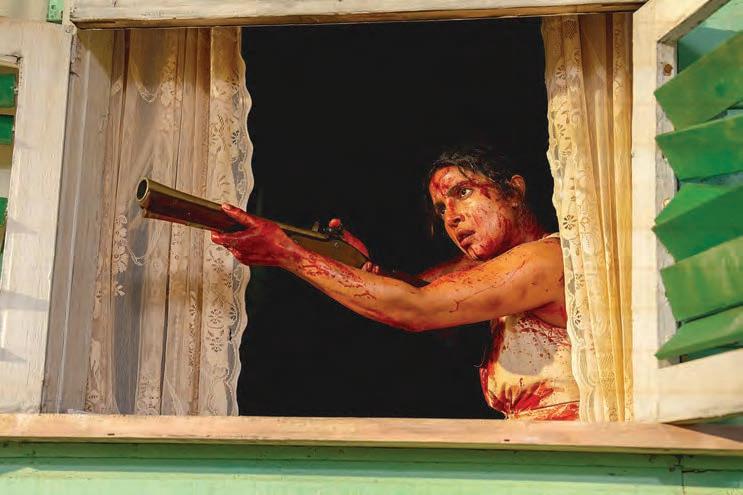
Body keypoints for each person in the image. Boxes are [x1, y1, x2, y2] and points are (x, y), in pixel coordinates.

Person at [212, 146, 579, 420]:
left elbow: (417, 307)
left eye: (462, 192)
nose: (451, 217)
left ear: (513, 192)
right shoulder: (499, 271)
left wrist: (288, 254)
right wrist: (355, 265)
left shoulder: (546, 259)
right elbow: (417, 289)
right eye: (441, 209)